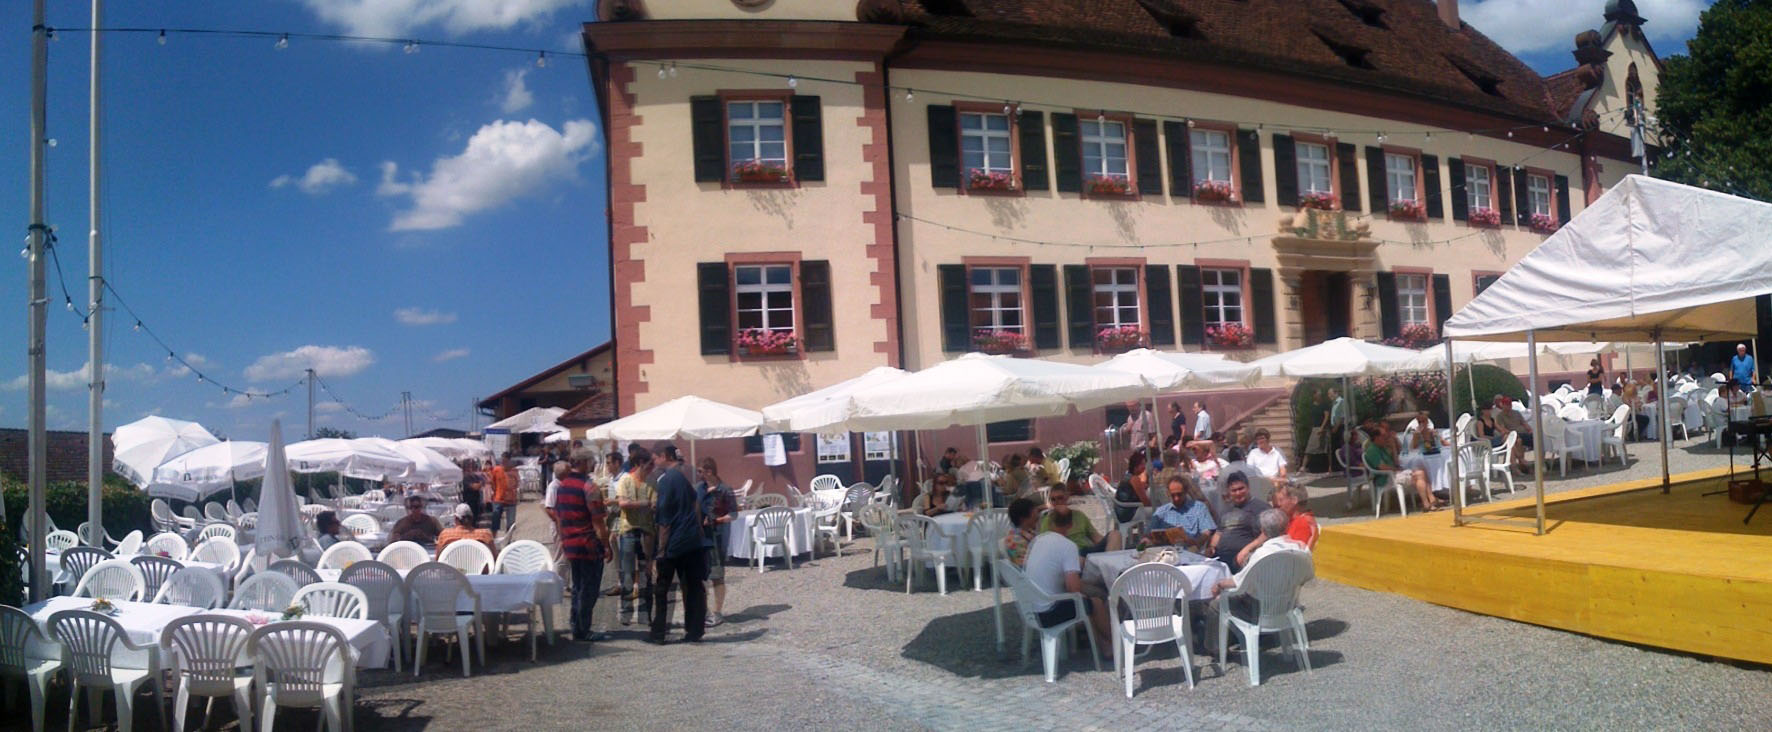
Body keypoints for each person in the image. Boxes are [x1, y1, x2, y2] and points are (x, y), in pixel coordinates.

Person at [1021, 521, 1111, 654]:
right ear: (1070, 526)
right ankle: (1115, 643)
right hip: (1047, 612)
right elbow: (1073, 589)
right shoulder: (1068, 546)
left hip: (1030, 608)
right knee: (1095, 602)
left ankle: (1106, 648)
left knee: (1088, 601)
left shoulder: (1039, 541)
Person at [649, 443, 707, 644]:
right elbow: (695, 502)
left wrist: (660, 551)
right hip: (691, 539)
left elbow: (664, 519)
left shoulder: (665, 480)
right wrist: (697, 526)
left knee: (662, 589)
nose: (654, 462)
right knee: (693, 587)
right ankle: (695, 630)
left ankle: (658, 633)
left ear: (664, 456)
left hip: (675, 541)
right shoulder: (682, 477)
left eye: (655, 458)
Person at [555, 454, 612, 642]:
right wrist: (606, 545)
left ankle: (575, 625)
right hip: (588, 544)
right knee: (589, 588)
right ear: (586, 463)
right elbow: (598, 522)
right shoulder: (589, 487)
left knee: (577, 586)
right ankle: (583, 629)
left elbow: (559, 517)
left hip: (570, 543)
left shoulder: (562, 487)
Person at [1213, 508, 1310, 598]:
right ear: (1287, 526)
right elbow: (1308, 576)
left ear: (1263, 531)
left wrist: (1219, 584)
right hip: (1288, 604)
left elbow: (1239, 582)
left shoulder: (1261, 554)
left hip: (1259, 607)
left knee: (1215, 605)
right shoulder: (1300, 549)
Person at [613, 445, 657, 626]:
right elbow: (623, 503)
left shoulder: (652, 483)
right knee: (628, 574)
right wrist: (644, 503)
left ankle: (645, 614)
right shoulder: (626, 480)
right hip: (629, 530)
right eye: (649, 464)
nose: (651, 468)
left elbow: (655, 504)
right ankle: (625, 612)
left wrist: (638, 504)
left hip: (647, 532)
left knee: (646, 573)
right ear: (640, 463)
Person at [1363, 423, 1440, 511]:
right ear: (1377, 437)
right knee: (1419, 474)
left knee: (1421, 470)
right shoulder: (1372, 450)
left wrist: (1393, 447)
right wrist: (1397, 470)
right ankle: (1429, 502)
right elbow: (1382, 467)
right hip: (1385, 478)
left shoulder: (1382, 448)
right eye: (1384, 436)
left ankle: (1429, 502)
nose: (1386, 437)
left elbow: (1396, 462)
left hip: (1393, 474)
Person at [696, 457, 736, 627]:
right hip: (700, 537)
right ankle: (703, 610)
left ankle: (717, 612)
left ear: (709, 471)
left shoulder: (725, 490)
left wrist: (717, 520)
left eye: (700, 471)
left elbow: (733, 514)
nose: (698, 474)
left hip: (716, 538)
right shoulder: (700, 489)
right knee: (700, 576)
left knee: (717, 576)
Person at [1039, 480, 1120, 554]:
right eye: (1053, 499)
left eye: (1060, 498)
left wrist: (1109, 543)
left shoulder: (1078, 515)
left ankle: (1108, 566)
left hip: (1086, 550)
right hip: (1067, 554)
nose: (1057, 502)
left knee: (1115, 535)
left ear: (1067, 497)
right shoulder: (1048, 520)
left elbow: (1096, 538)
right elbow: (1045, 546)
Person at [1144, 475, 1217, 555]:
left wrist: (1197, 542)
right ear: (1168, 493)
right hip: (1166, 553)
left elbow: (1207, 532)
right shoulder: (1161, 512)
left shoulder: (1198, 507)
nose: (1176, 498)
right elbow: (1148, 533)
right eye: (1173, 495)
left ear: (1186, 492)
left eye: (1179, 494)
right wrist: (1146, 541)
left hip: (1191, 551)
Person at [1211, 472, 1269, 571]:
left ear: (1248, 488)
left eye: (1241, 489)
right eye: (1234, 490)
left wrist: (1246, 550)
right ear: (1229, 492)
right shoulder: (1227, 509)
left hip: (1245, 560)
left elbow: (1267, 534)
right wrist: (1211, 547)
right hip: (1221, 560)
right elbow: (1219, 532)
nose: (1238, 493)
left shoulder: (1260, 508)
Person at [1270, 482, 1319, 549]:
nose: (1278, 504)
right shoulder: (1291, 521)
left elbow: (1296, 553)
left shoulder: (1302, 523)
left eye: (1281, 500)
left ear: (1294, 500)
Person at [1002, 497, 1040, 568]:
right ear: (1023, 519)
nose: (1037, 513)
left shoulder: (1029, 532)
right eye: (1033, 511)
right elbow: (1025, 566)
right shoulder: (1014, 541)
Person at [1113, 452, 1150, 524]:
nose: (1144, 466)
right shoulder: (1134, 479)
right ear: (1135, 466)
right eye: (1142, 464)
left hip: (1121, 511)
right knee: (1157, 512)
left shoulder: (1128, 476)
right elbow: (1145, 502)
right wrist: (1156, 505)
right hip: (1128, 514)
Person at [488, 454, 519, 535]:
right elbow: (492, 483)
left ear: (509, 461)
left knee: (511, 523)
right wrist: (496, 491)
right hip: (498, 498)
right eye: (502, 461)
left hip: (511, 499)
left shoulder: (514, 471)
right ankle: (494, 538)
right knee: (495, 518)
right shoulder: (496, 470)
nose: (503, 463)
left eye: (505, 461)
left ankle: (509, 539)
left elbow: (517, 483)